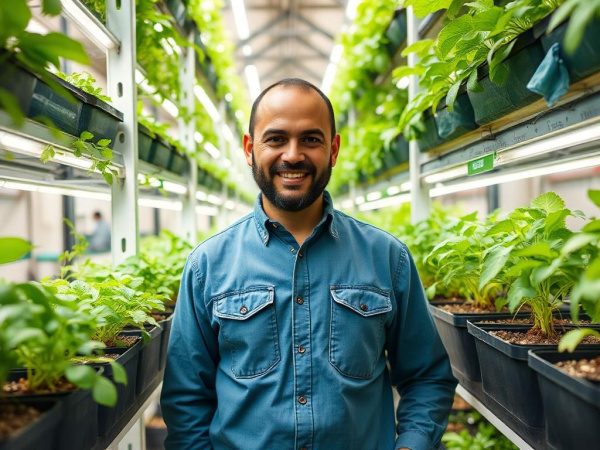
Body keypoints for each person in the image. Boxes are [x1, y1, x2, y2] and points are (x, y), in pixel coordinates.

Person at [161, 78, 457, 450]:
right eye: (276, 139)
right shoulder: (208, 265)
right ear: (250, 148)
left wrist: (411, 445)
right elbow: (186, 399)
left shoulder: (387, 257)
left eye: (311, 140)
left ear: (333, 149)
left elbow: (426, 376)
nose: (293, 155)